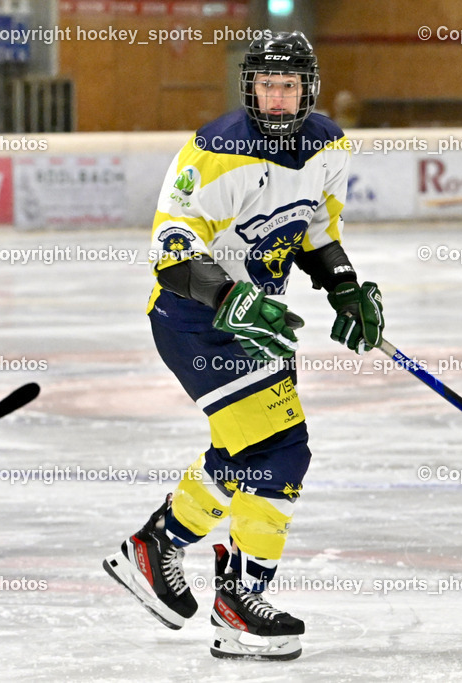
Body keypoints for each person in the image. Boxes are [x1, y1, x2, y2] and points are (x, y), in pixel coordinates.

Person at [104, 31, 384, 660]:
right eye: (266, 85)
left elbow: (315, 229)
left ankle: (159, 547)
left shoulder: (329, 146)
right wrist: (228, 297)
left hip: (263, 319)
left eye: (289, 86)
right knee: (280, 450)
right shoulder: (212, 151)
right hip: (195, 321)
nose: (277, 98)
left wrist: (344, 288)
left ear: (307, 88)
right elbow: (172, 253)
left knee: (252, 449)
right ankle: (235, 601)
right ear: (249, 87)